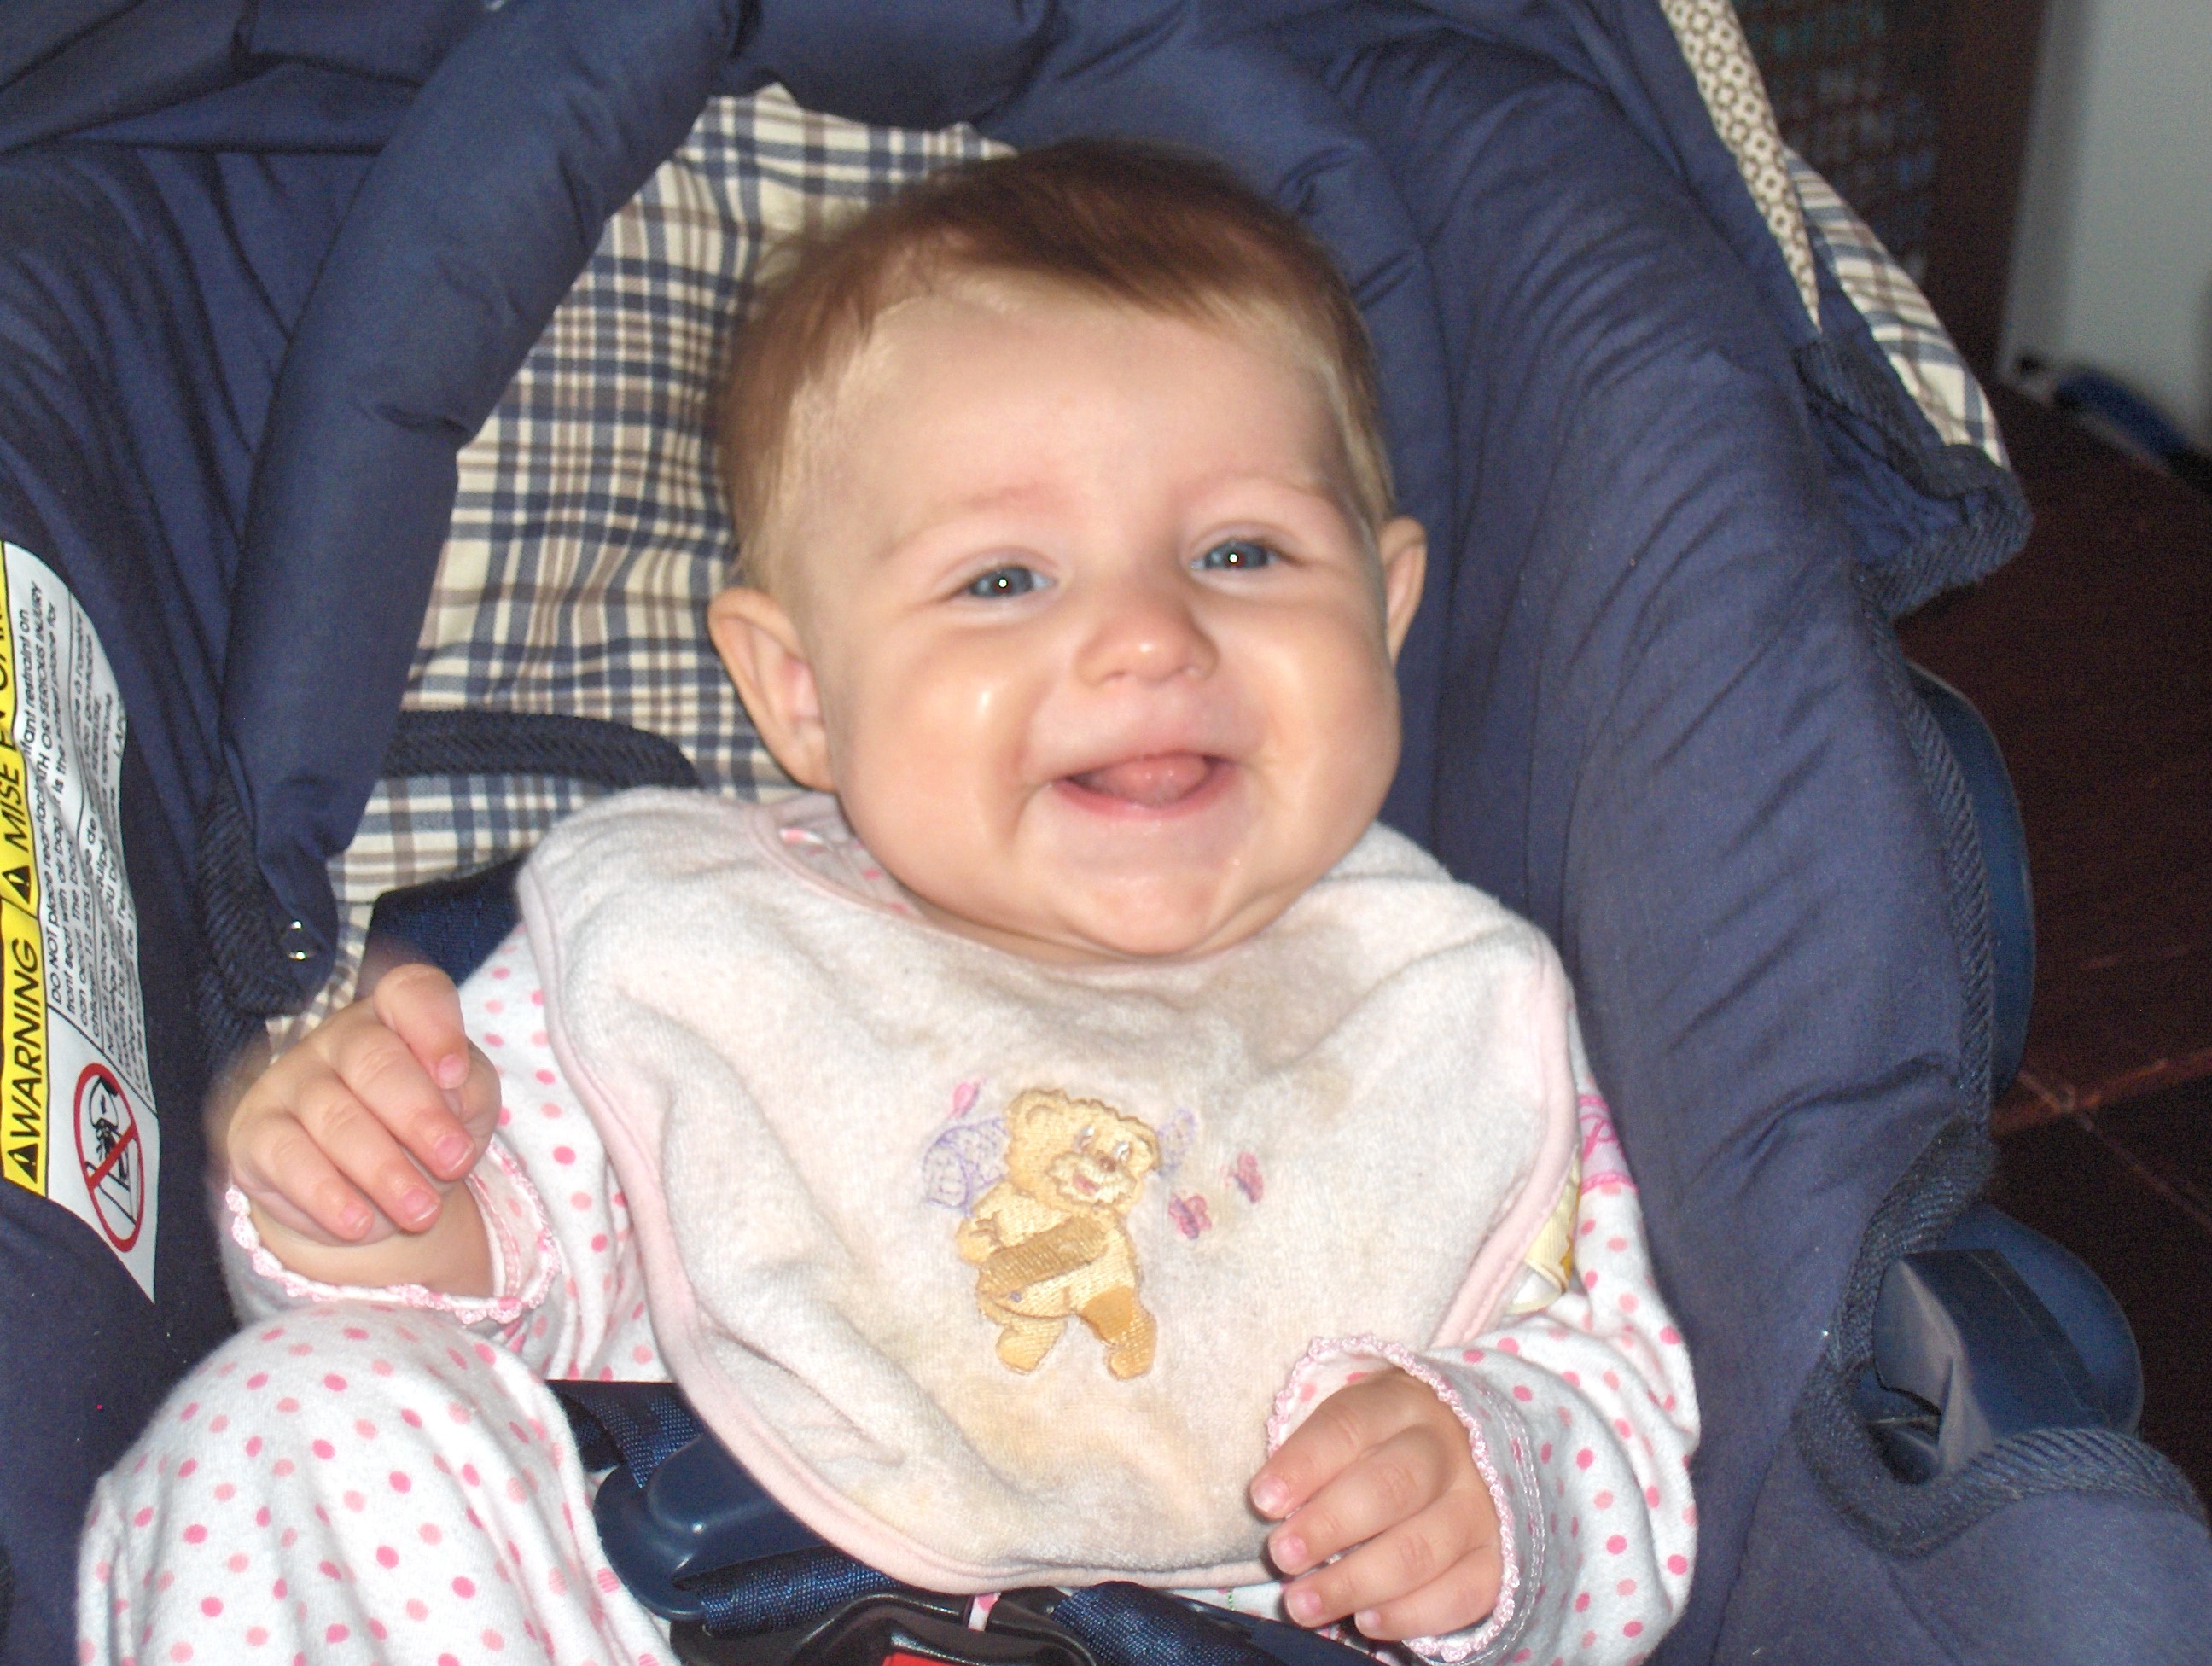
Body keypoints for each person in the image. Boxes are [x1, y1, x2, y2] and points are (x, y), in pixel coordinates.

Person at [79, 143, 1696, 1666]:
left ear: (1386, 608)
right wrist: (376, 1189)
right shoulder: (698, 947)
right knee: (301, 1413)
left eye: (1243, 554)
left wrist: (1495, 1487)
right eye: (1005, 579)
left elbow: (1618, 1409)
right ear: (801, 691)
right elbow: (504, 1285)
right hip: (700, 1608)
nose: (1149, 636)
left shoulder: (1443, 1003)